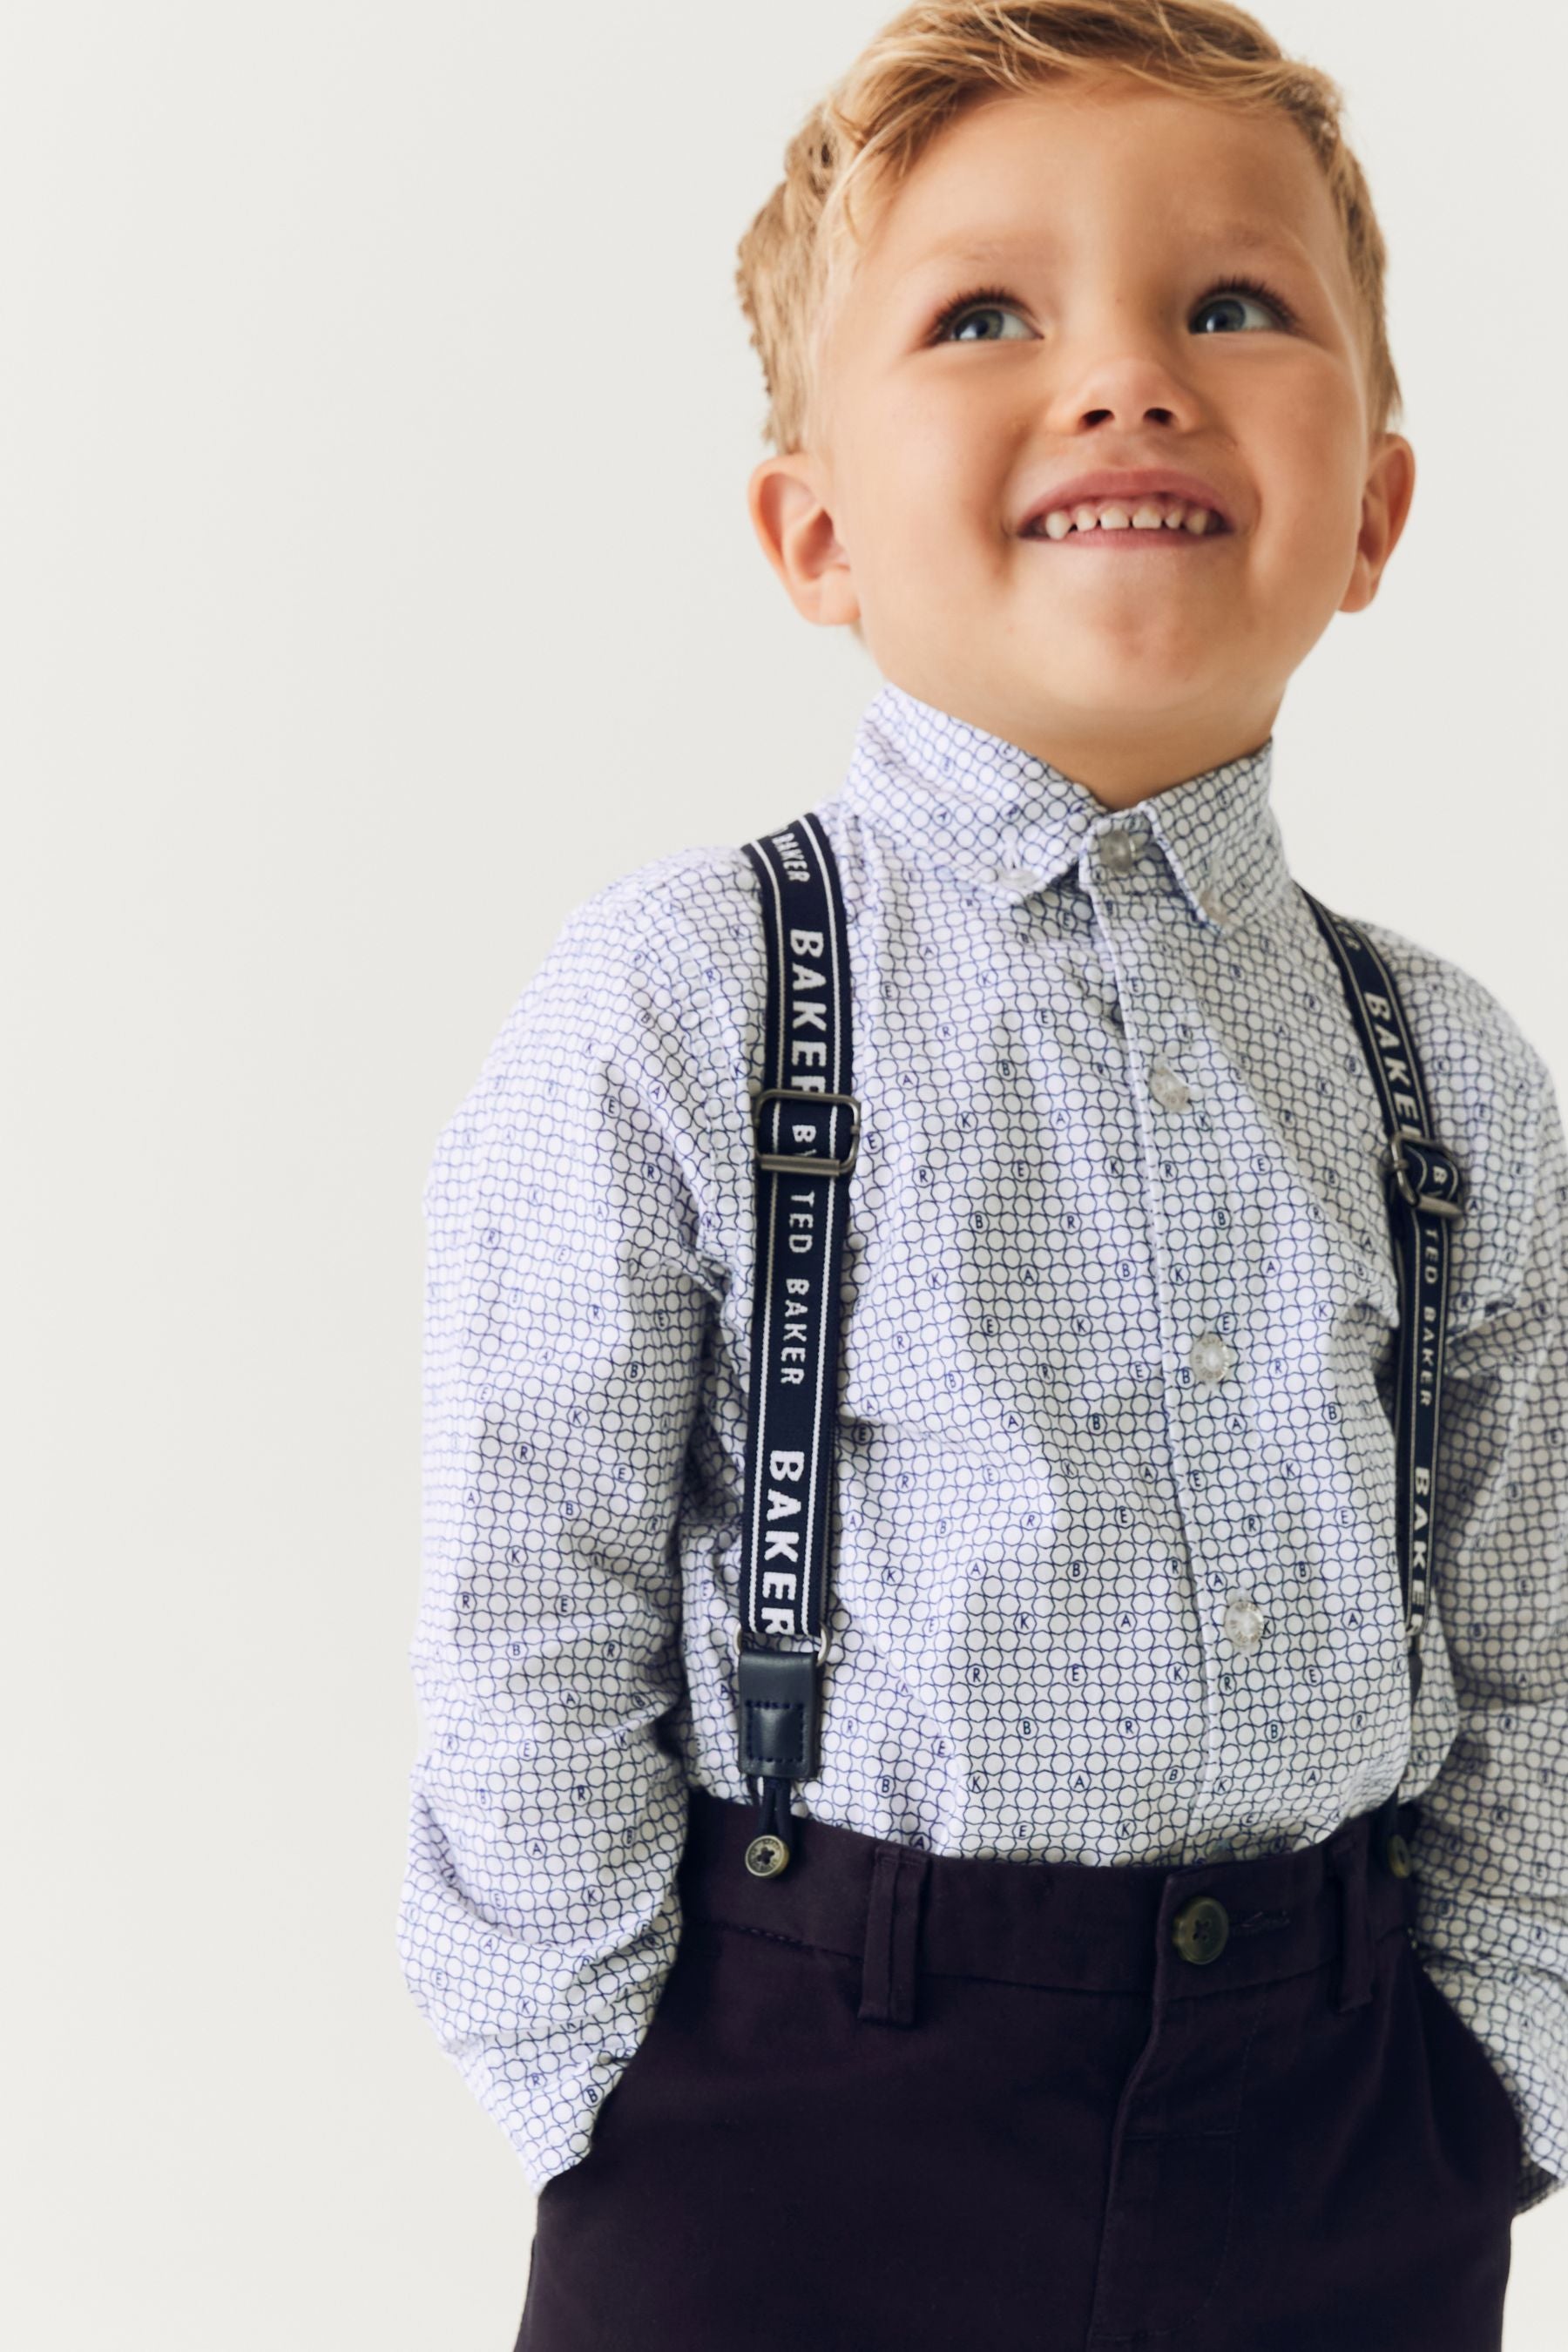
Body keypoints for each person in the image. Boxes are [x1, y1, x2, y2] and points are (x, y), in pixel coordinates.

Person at [396, 4, 1567, 2345]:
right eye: (984, 315)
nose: (1129, 375)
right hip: (792, 2129)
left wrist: (1491, 2070)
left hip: (1340, 2138)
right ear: (814, 526)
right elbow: (528, 1609)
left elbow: (1526, 1623)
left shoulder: (1442, 1060)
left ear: (1376, 511)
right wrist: (604, 2075)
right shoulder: (687, 994)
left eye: (1233, 305)